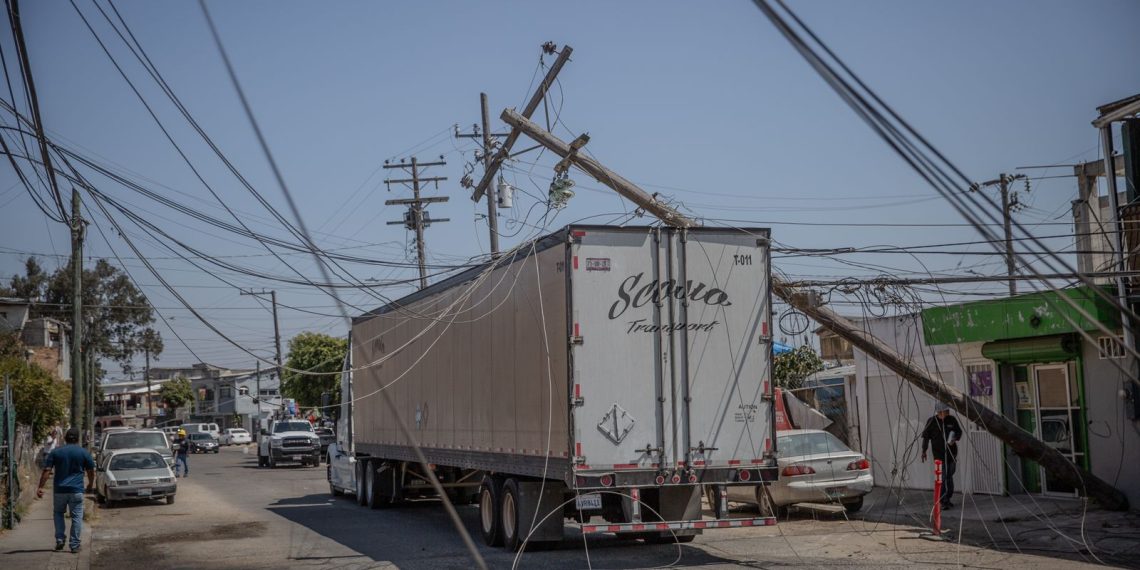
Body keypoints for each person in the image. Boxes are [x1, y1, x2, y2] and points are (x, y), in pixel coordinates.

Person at [36, 428, 95, 553]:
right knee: (77, 517)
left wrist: (40, 487)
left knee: (58, 513)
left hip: (59, 490)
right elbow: (90, 471)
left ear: (65, 438)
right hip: (77, 490)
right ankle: (74, 545)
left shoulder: (56, 452)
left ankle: (60, 539)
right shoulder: (84, 452)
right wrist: (90, 484)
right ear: (78, 439)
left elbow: (47, 471)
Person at [921, 402, 964, 509]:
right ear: (940, 412)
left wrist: (954, 439)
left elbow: (959, 432)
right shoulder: (931, 422)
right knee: (942, 477)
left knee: (949, 476)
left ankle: (947, 498)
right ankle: (942, 501)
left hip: (951, 454)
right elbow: (926, 437)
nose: (948, 412)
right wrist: (924, 451)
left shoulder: (952, 420)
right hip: (939, 455)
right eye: (946, 410)